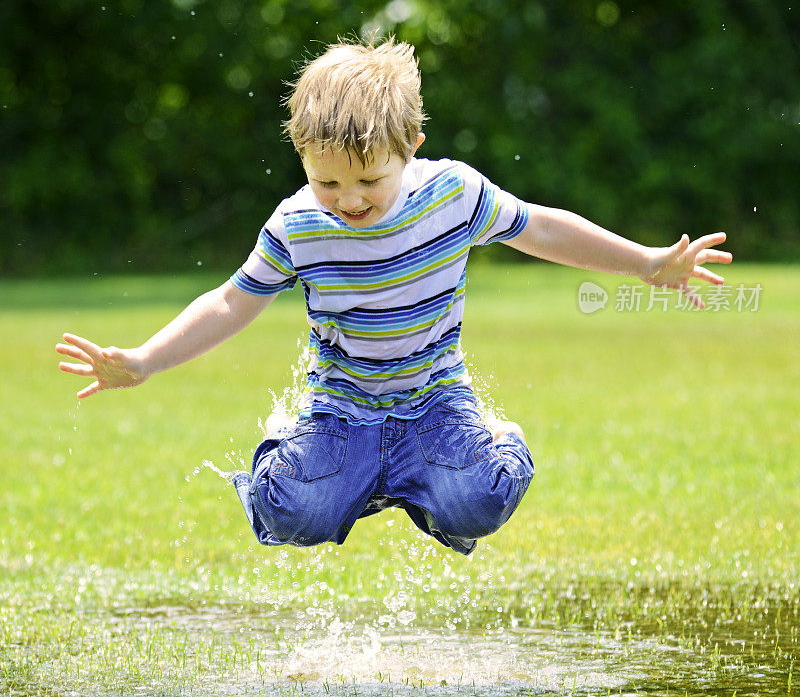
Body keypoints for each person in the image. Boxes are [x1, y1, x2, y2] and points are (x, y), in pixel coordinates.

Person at [56, 36, 732, 555]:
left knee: (481, 500)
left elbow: (542, 227)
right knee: (294, 515)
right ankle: (287, 452)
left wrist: (646, 263)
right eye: (328, 184)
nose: (347, 201)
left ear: (411, 146)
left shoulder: (454, 195)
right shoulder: (297, 223)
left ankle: (493, 448)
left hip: (435, 405)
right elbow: (233, 300)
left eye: (368, 183)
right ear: (302, 159)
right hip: (340, 414)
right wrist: (144, 360)